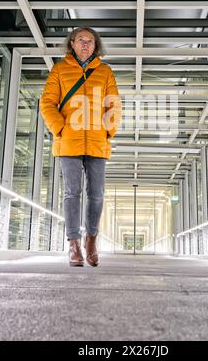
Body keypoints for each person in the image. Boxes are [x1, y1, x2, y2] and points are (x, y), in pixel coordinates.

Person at [40, 27, 122, 267]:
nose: (86, 44)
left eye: (90, 41)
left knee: (96, 194)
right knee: (72, 193)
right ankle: (73, 243)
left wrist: (108, 131)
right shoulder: (59, 70)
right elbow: (47, 103)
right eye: (81, 40)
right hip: (69, 141)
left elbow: (114, 105)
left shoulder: (105, 71)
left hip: (97, 141)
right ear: (72, 44)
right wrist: (61, 129)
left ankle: (91, 240)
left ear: (95, 46)